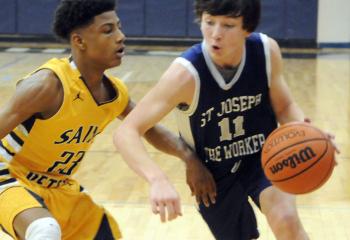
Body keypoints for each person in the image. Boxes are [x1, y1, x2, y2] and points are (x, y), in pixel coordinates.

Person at [114, 0, 338, 239]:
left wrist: (307, 131)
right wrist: (157, 179)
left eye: (228, 25)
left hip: (264, 157)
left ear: (247, 29)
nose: (215, 34)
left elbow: (284, 106)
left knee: (287, 222)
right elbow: (126, 132)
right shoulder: (185, 75)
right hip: (212, 174)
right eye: (209, 23)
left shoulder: (265, 51)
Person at [0, 0, 199, 239]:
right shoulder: (48, 85)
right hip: (9, 177)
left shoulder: (114, 93)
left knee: (106, 234)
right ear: (79, 41)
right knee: (45, 230)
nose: (121, 36)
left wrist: (189, 158)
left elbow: (148, 129)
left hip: (58, 186)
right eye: (108, 30)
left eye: (119, 27)